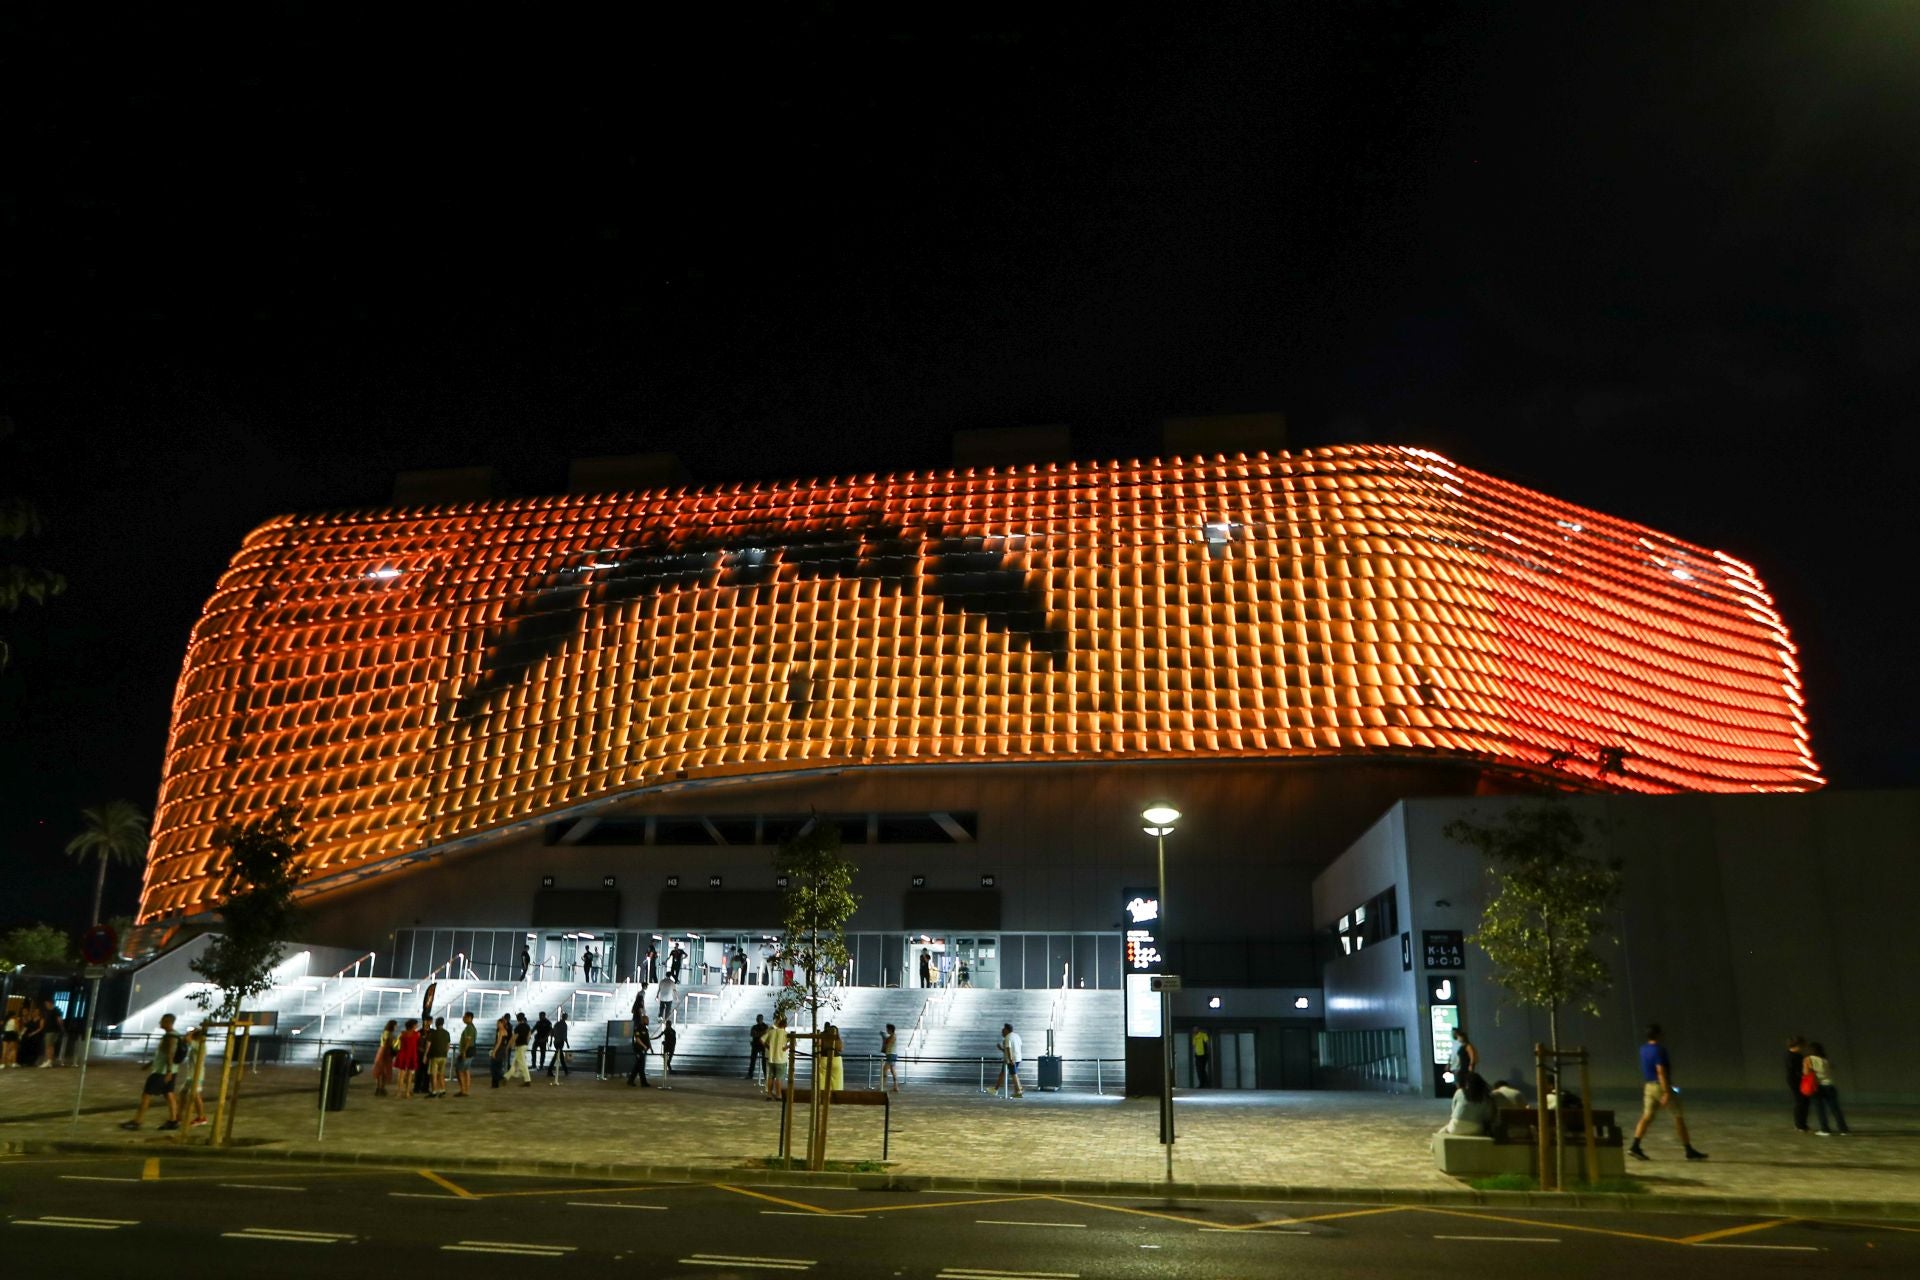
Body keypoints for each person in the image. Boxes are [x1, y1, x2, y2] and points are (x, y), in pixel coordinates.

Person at [1630, 1024, 1707, 1161]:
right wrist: (1666, 1092)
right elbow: (1660, 1070)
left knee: (1646, 1117)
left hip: (1648, 1087)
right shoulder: (1659, 1050)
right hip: (1661, 1086)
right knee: (1678, 1116)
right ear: (1658, 1034)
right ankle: (1688, 1150)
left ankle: (1635, 1145)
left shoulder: (1643, 1049)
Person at [121, 1012, 182, 1130]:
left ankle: (137, 1121)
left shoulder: (171, 1037)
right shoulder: (175, 1035)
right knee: (169, 1094)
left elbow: (170, 1054)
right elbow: (163, 1055)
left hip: (161, 1072)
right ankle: (173, 1120)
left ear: (168, 1022)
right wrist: (150, 1064)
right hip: (171, 1071)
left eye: (162, 1020)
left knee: (146, 1095)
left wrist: (168, 1071)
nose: (160, 1022)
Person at [1804, 1041, 1851, 1136]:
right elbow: (1831, 1068)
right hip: (1830, 1085)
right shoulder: (1825, 1060)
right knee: (1835, 1109)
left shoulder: (1808, 1059)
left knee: (1820, 1109)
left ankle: (1825, 1129)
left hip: (1817, 1087)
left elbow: (1806, 1072)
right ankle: (1844, 1129)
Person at [179, 1025, 210, 1126]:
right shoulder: (197, 1044)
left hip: (197, 1075)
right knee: (183, 1092)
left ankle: (201, 1117)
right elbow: (185, 1040)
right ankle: (179, 1115)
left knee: (196, 1095)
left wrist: (192, 1033)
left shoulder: (199, 1045)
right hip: (191, 1074)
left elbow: (187, 1039)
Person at [990, 1022, 1024, 1097]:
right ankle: (995, 1089)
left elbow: (1009, 1049)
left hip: (1010, 1060)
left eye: (1003, 1030)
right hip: (1017, 1058)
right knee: (1003, 1073)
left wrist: (1011, 1059)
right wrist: (1001, 1049)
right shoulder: (1016, 1036)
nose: (1002, 1032)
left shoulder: (1007, 1038)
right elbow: (1017, 1047)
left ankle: (1018, 1091)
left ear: (1006, 1030)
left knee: (1014, 1074)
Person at [1786, 1035, 1811, 1133]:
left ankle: (1801, 1124)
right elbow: (1797, 1070)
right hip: (1796, 1081)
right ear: (1798, 1045)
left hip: (1796, 1080)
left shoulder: (1791, 1054)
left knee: (1803, 1102)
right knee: (1801, 1102)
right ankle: (1800, 1125)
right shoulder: (1794, 1056)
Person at [395, 1019, 422, 1099]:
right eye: (416, 1025)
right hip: (411, 1055)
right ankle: (406, 1092)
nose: (417, 1026)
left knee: (401, 1075)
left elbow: (397, 1043)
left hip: (403, 1055)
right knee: (409, 1075)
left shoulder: (402, 1034)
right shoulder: (417, 1034)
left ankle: (399, 1092)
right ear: (413, 1025)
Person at [372, 1018, 399, 1097]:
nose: (396, 1027)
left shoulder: (384, 1033)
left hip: (382, 1050)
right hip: (386, 1052)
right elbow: (392, 1044)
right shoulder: (390, 1034)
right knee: (384, 1070)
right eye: (395, 1026)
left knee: (380, 1070)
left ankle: (379, 1088)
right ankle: (382, 1088)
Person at [427, 1016, 452, 1098]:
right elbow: (448, 1045)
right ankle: (442, 1090)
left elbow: (428, 1045)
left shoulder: (433, 1033)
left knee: (433, 1075)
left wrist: (425, 1055)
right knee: (441, 1074)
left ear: (436, 1023)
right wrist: (445, 1053)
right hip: (443, 1056)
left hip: (434, 1056)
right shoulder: (446, 1033)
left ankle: (434, 1091)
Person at [765, 1014, 788, 1100]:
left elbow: (762, 1039)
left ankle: (769, 1094)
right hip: (781, 1059)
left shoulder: (771, 1031)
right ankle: (778, 1095)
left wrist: (768, 1047)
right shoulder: (786, 1034)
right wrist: (786, 1047)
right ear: (785, 1025)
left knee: (771, 1077)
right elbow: (793, 1043)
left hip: (771, 1058)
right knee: (779, 1077)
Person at [626, 1015, 652, 1087]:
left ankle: (630, 1081)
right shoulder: (638, 1028)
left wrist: (650, 1047)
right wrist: (644, 1046)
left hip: (643, 1049)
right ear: (643, 1020)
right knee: (641, 1066)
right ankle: (643, 1082)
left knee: (638, 1066)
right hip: (639, 1049)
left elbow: (647, 1039)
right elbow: (637, 1039)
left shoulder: (645, 1029)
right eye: (647, 1020)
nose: (648, 1021)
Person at [456, 1012, 477, 1097]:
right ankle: (466, 1090)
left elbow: (468, 1041)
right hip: (471, 1052)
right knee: (466, 1070)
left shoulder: (469, 1028)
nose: (463, 1018)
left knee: (459, 1070)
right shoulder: (472, 1027)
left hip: (467, 1052)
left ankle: (463, 1090)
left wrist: (464, 1051)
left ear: (469, 1018)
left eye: (464, 1017)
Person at [547, 1010, 571, 1083]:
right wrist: (567, 1043)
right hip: (560, 1042)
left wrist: (551, 1042)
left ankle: (565, 1071)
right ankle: (550, 1071)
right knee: (558, 1057)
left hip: (555, 1042)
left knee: (559, 1056)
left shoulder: (557, 1024)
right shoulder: (564, 1025)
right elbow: (564, 1035)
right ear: (565, 1018)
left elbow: (552, 1032)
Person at [510, 1014, 533, 1085]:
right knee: (516, 1061)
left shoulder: (518, 1027)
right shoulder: (527, 1026)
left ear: (517, 1019)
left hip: (519, 1046)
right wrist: (526, 1043)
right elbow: (529, 1036)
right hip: (524, 1045)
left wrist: (511, 1045)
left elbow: (514, 1037)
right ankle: (509, 1075)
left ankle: (527, 1079)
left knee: (522, 1063)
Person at [489, 1015, 511, 1089]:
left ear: (502, 1024)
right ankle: (496, 1082)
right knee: (498, 1066)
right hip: (503, 1050)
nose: (497, 1025)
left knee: (494, 1067)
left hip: (499, 1049)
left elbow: (498, 1042)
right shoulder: (505, 1031)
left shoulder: (500, 1031)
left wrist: (494, 1051)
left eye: (498, 1023)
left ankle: (498, 1080)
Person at [747, 1015, 769, 1082]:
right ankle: (750, 1074)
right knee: (753, 1060)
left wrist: (758, 1034)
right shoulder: (755, 1027)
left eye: (759, 1019)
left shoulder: (765, 1026)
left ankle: (765, 1075)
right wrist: (761, 1034)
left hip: (762, 1045)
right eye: (757, 1019)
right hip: (756, 1045)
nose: (758, 1020)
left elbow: (765, 1034)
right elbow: (753, 1034)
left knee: (764, 1061)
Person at [881, 1023, 901, 1092]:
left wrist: (884, 1037)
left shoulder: (893, 1036)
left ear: (890, 1030)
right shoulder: (892, 1036)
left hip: (891, 1055)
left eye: (887, 1029)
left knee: (885, 1069)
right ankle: (895, 1086)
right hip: (891, 1055)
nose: (887, 1030)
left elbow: (887, 1043)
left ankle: (883, 1086)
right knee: (892, 1070)